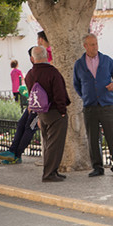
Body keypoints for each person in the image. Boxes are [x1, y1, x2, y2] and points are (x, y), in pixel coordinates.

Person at [73, 33, 113, 177]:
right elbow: (76, 84)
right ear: (85, 46)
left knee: (112, 136)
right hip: (90, 107)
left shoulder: (107, 60)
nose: (95, 47)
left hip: (107, 105)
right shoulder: (79, 64)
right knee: (93, 138)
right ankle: (97, 167)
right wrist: (85, 96)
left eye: (96, 43)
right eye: (92, 44)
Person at [25, 45, 70, 183]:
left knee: (47, 143)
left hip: (41, 112)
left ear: (33, 59)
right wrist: (62, 111)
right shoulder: (52, 72)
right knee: (55, 144)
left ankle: (52, 171)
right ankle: (49, 174)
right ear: (46, 56)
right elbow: (59, 93)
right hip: (55, 112)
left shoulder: (29, 75)